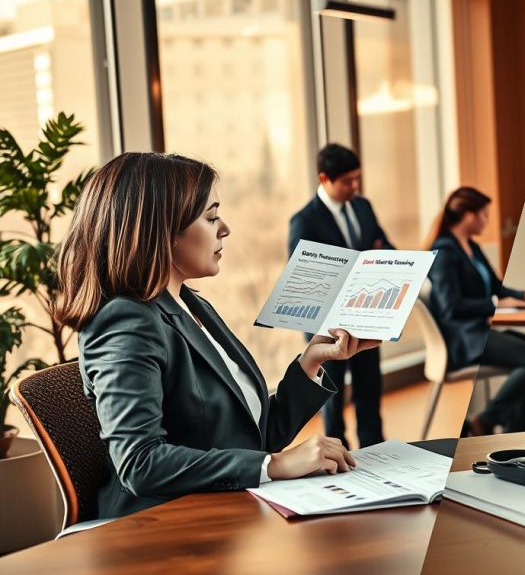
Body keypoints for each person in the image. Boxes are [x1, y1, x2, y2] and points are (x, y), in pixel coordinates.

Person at [54, 152, 378, 519]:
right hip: (163, 526)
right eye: (210, 217)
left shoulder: (190, 304)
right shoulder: (125, 321)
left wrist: (311, 360)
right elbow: (140, 463)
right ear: (162, 230)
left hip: (228, 511)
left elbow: (253, 436)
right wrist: (273, 465)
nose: (224, 229)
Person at [288, 144, 393, 449]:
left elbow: (384, 245)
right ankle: (337, 453)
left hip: (367, 314)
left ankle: (376, 449)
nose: (355, 187)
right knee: (331, 395)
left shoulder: (363, 206)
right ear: (325, 178)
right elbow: (303, 278)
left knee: (370, 389)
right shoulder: (304, 221)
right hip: (328, 323)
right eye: (347, 181)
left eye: (357, 179)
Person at [426, 187, 525, 434]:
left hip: (478, 331)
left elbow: (495, 285)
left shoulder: (470, 246)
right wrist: (495, 305)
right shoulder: (444, 252)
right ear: (469, 216)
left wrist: (522, 296)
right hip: (463, 340)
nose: (488, 221)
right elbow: (451, 307)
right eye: (484, 215)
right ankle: (488, 421)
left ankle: (512, 429)